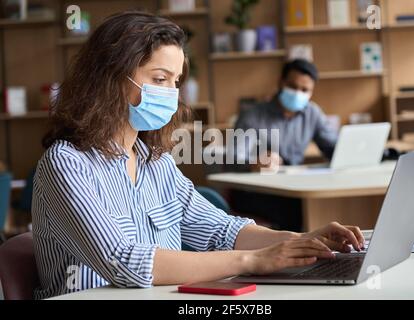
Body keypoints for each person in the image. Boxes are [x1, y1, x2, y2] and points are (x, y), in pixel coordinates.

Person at [32, 12, 364, 299]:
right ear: (111, 78)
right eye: (159, 79)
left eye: (175, 82)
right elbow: (125, 263)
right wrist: (254, 260)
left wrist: (305, 241)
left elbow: (222, 230)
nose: (170, 94)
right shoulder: (66, 163)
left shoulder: (156, 162)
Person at [229, 59, 339, 231]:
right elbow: (234, 158)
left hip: (294, 188)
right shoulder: (253, 115)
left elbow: (333, 147)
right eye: (293, 86)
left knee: (328, 203)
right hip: (259, 191)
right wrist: (253, 163)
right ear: (281, 82)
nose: (298, 93)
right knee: (297, 209)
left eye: (305, 90)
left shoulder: (312, 113)